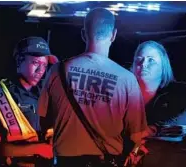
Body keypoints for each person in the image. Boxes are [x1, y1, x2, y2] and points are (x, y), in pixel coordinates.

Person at [38, 8, 147, 167]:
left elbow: (42, 122)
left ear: (83, 34)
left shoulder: (57, 71)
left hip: (65, 162)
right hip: (107, 161)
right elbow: (137, 136)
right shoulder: (127, 79)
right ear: (113, 35)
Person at [0, 36, 58, 167]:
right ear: (19, 61)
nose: (40, 70)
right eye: (35, 63)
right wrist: (39, 148)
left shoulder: (48, 94)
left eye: (44, 65)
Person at [130, 40, 186, 166]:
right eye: (139, 59)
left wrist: (154, 129)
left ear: (163, 66)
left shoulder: (178, 90)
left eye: (151, 60)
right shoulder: (124, 93)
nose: (143, 64)